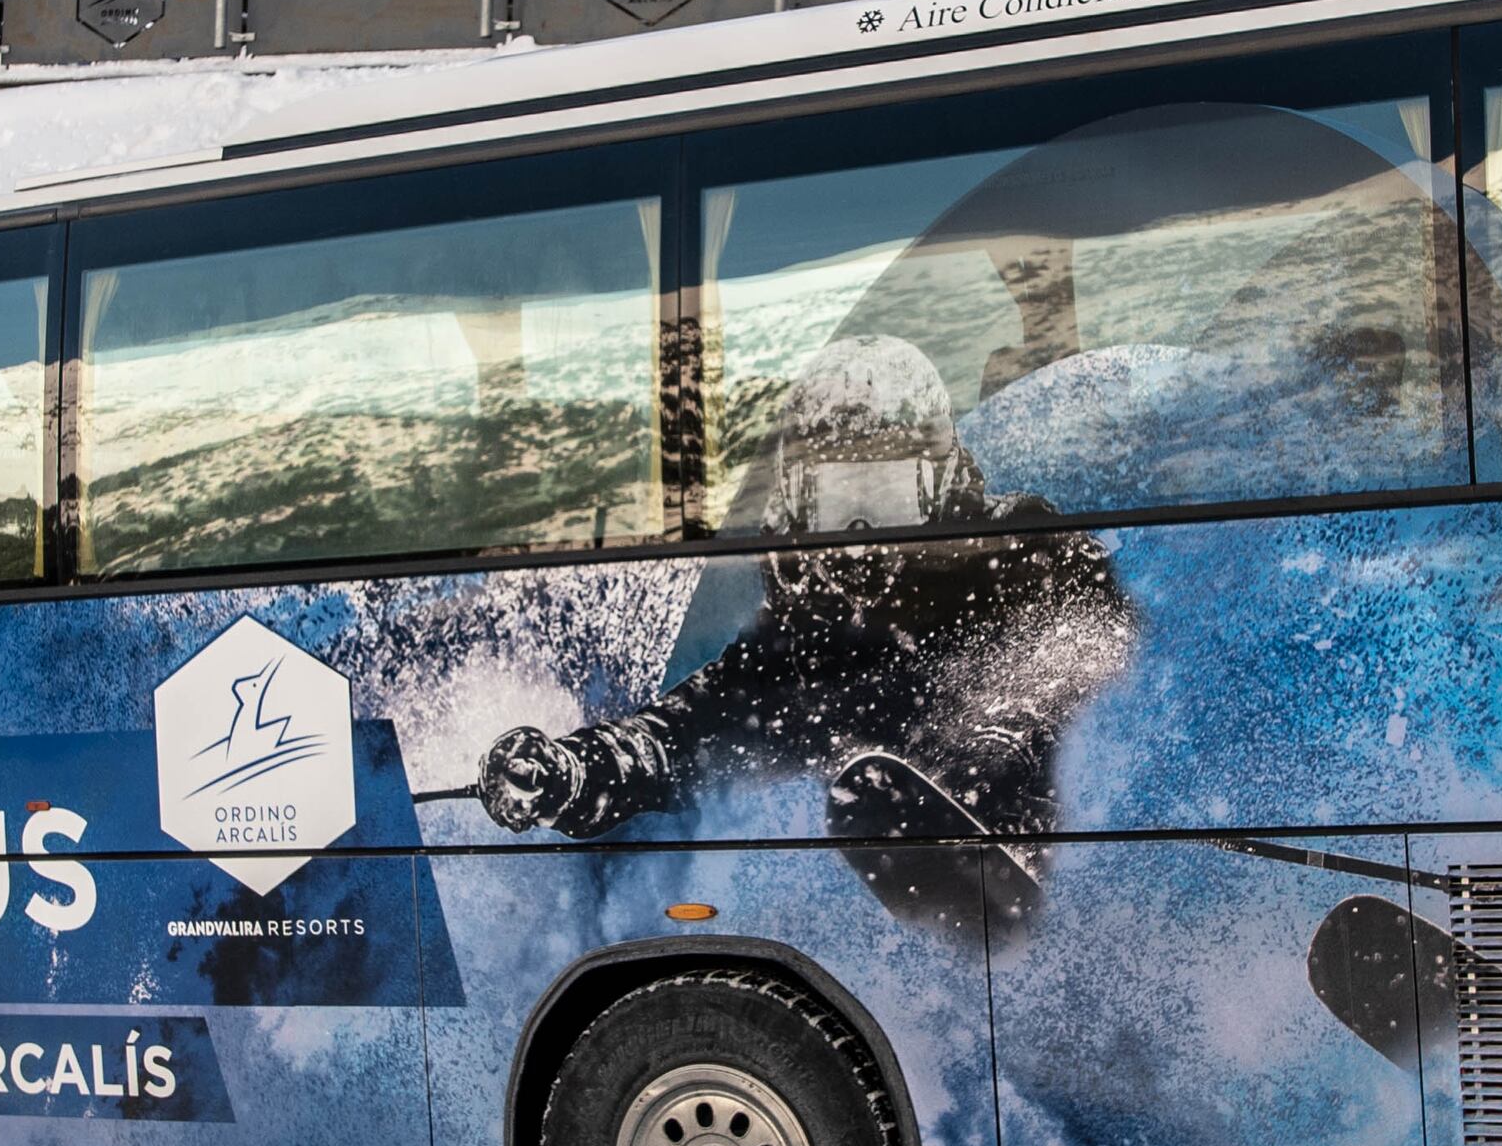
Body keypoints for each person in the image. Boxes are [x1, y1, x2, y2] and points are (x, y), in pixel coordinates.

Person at [476, 334, 1135, 938]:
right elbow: (680, 734)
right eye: (836, 494)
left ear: (935, 484)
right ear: (799, 498)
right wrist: (575, 770)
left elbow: (1086, 653)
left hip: (1039, 819)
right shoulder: (803, 640)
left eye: (885, 490)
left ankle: (996, 834)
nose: (858, 526)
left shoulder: (1024, 558)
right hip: (904, 886)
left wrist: (999, 743)